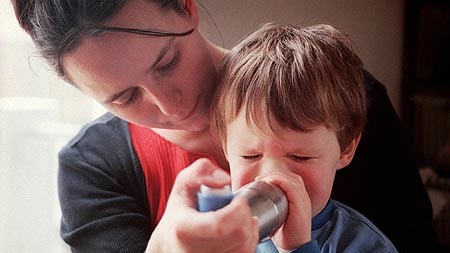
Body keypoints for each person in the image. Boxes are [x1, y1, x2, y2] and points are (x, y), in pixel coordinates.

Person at [10, 0, 440, 252]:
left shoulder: (342, 102)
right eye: (124, 97)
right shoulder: (94, 166)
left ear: (186, 5)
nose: (170, 106)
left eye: (167, 62)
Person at [209, 22, 398, 252]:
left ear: (345, 149)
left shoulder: (363, 245)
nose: (273, 176)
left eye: (300, 157)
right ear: (225, 147)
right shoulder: (216, 232)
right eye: (251, 155)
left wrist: (298, 247)